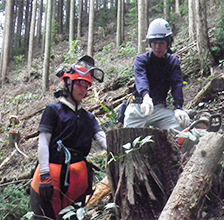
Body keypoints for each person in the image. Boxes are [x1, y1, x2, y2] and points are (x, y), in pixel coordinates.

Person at [30, 55, 107, 220]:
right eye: (80, 84)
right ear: (69, 83)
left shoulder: (89, 118)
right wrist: (44, 174)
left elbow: (102, 139)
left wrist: (120, 149)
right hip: (50, 178)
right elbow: (43, 142)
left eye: (86, 86)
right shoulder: (53, 110)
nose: (83, 89)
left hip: (77, 181)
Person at [124, 18, 190, 131]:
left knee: (180, 127)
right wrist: (146, 97)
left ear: (168, 44)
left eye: (161, 43)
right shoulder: (141, 60)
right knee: (125, 139)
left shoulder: (173, 63)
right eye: (154, 43)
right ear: (150, 43)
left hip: (159, 108)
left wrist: (178, 107)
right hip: (138, 107)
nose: (157, 47)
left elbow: (177, 85)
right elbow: (141, 79)